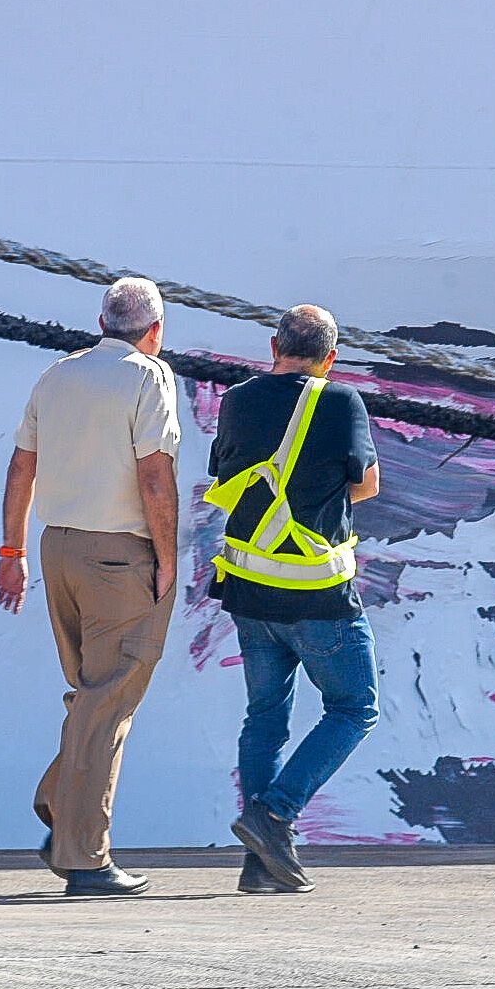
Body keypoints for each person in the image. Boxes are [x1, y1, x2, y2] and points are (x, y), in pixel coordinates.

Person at [0, 277, 180, 896]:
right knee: (109, 700)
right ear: (155, 329)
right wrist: (169, 557)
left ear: (101, 322)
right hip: (120, 556)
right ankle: (86, 857)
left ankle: (61, 802)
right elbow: (155, 476)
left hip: (58, 549)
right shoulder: (149, 377)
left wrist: (11, 550)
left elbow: (22, 464)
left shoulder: (57, 375)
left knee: (91, 694)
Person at [207, 305, 380, 893]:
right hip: (317, 595)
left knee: (264, 719)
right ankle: (275, 813)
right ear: (331, 358)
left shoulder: (237, 399)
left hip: (250, 592)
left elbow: (226, 474)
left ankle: (262, 867)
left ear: (273, 344)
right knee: (355, 707)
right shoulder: (339, 402)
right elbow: (368, 484)